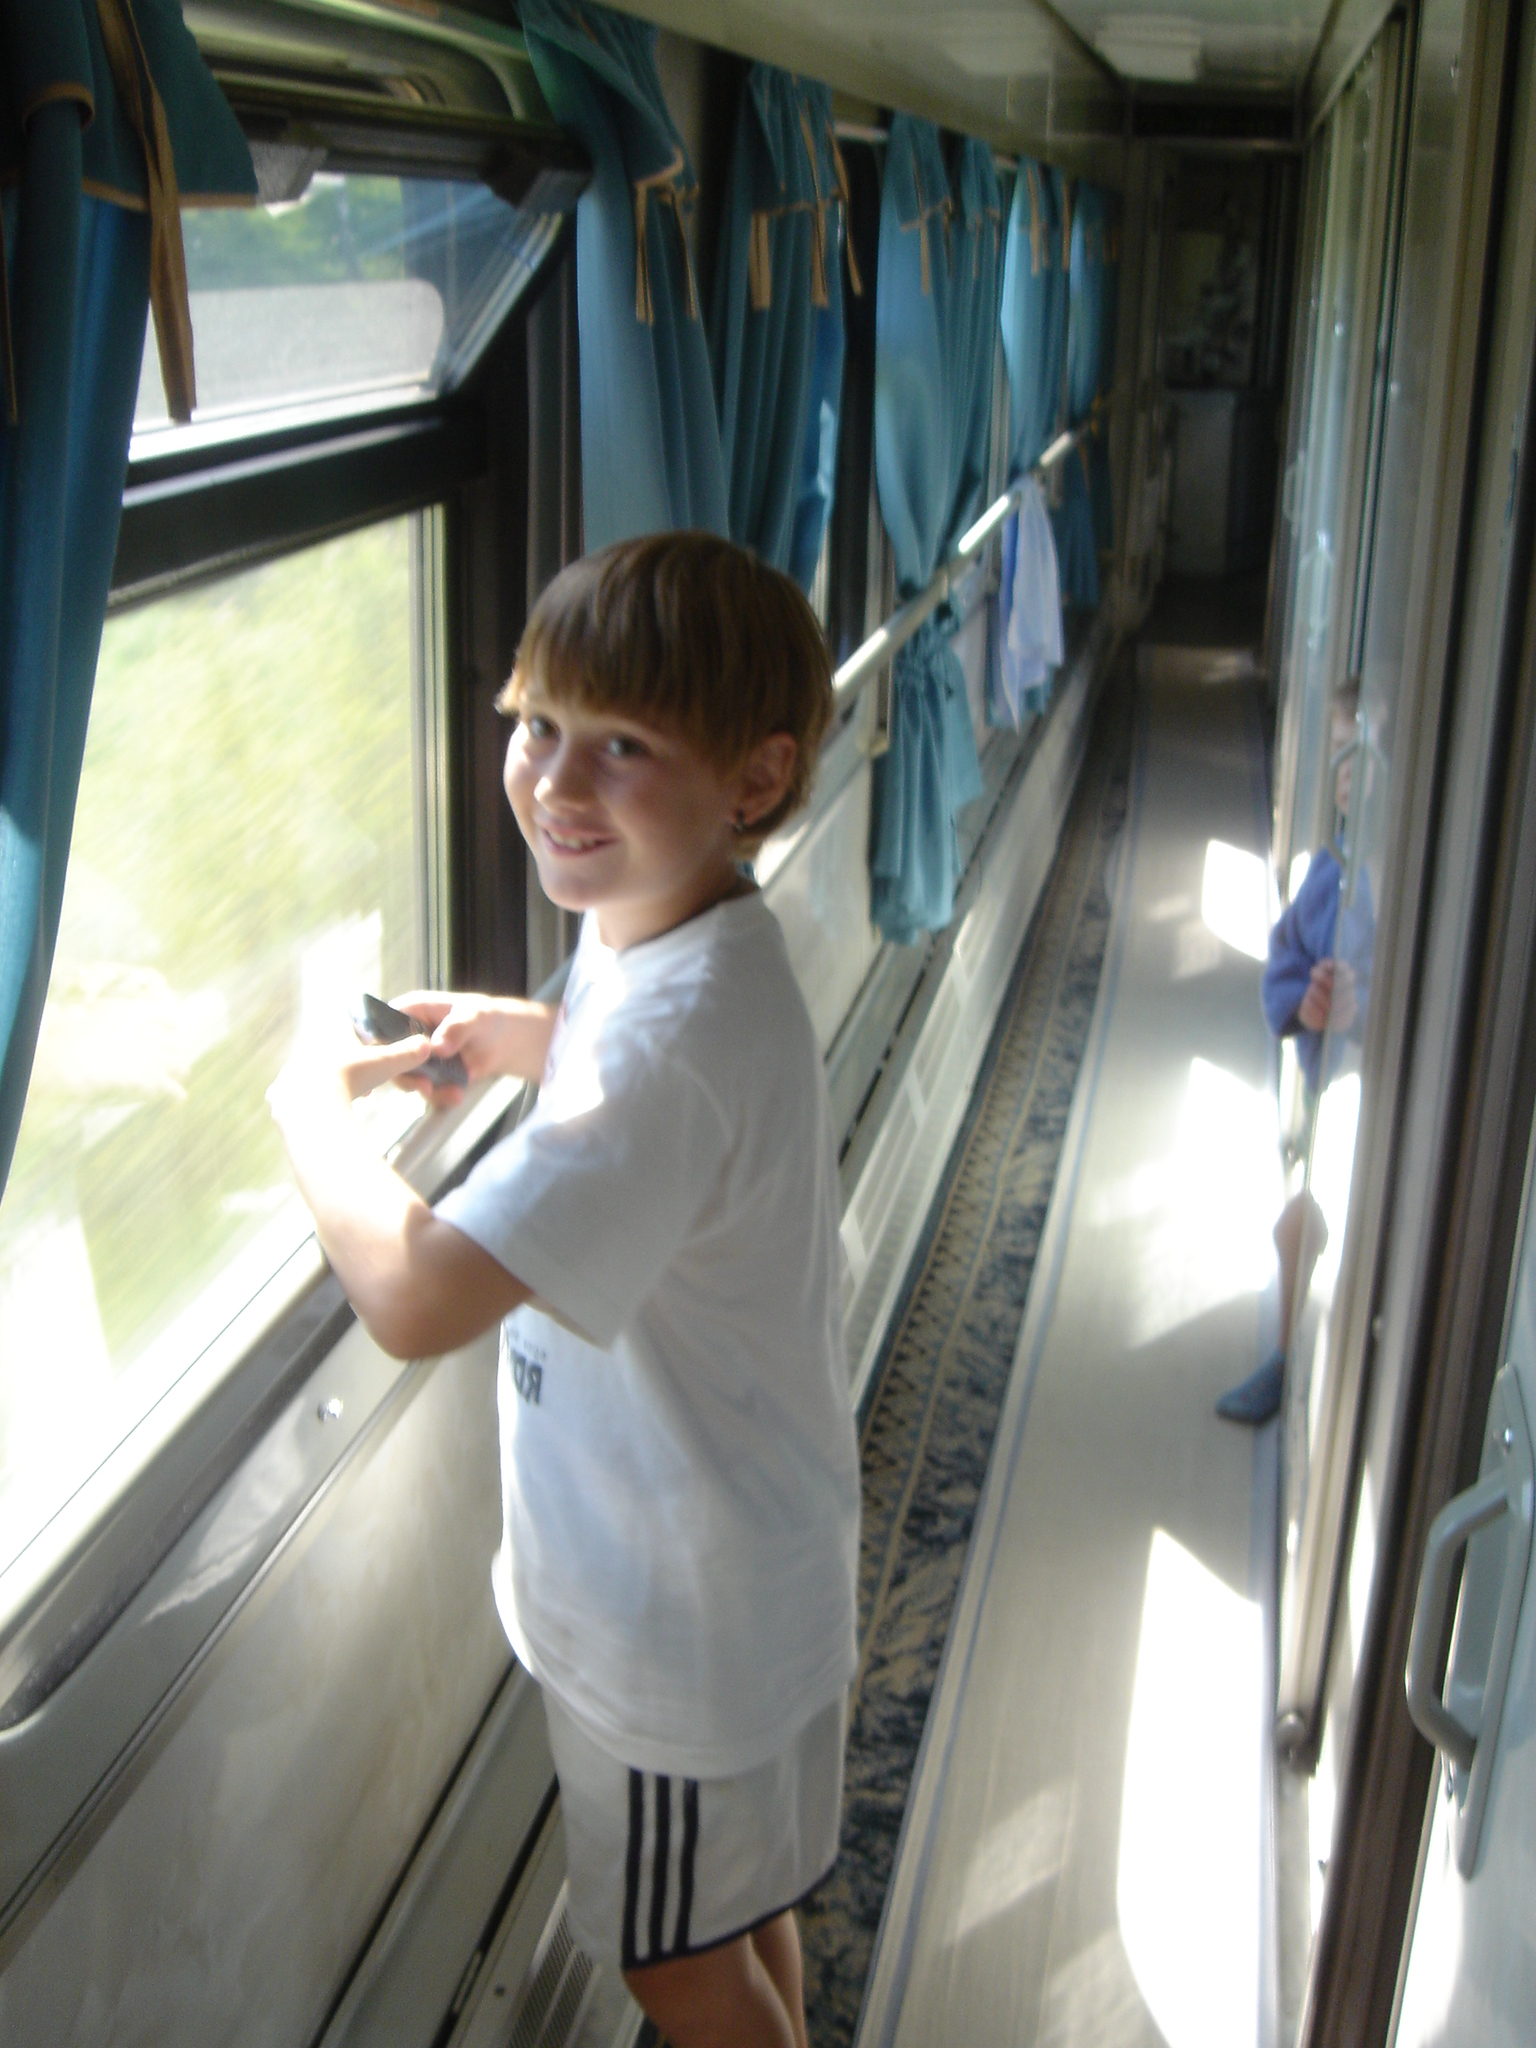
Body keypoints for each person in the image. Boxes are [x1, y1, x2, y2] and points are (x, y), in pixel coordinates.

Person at [267, 534, 861, 2048]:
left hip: (676, 1618)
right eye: (538, 724)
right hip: (751, 1552)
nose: (553, 781)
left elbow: (414, 1299)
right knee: (736, 1905)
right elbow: (640, 1057)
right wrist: (520, 1034)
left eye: (624, 745)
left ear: (754, 778)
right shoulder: (683, 934)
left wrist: (308, 1119)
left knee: (676, 1963)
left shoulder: (663, 1053)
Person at [1218, 679, 1374, 1426]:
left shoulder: (1396, 880)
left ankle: (1298, 1368)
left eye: (1361, 757)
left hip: (1369, 1088)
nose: (1346, 775)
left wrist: (1362, 1007)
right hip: (1327, 1083)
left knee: (1315, 1230)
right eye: (1339, 753)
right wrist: (1302, 1006)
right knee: (1299, 1225)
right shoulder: (1327, 870)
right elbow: (1284, 961)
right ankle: (1286, 1359)